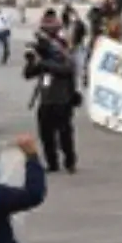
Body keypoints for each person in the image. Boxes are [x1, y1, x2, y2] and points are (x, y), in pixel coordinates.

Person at [23, 31, 78, 173]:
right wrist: (31, 60)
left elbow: (66, 70)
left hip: (62, 102)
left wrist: (44, 62)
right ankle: (52, 163)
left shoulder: (66, 59)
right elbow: (28, 74)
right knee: (46, 135)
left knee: (64, 134)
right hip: (46, 103)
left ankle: (69, 161)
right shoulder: (44, 60)